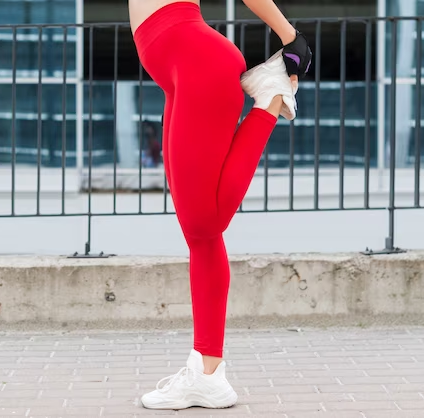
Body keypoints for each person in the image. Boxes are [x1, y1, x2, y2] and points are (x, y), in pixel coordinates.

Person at [128, 0, 312, 410]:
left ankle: (270, 101)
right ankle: (207, 374)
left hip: (197, 62)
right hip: (181, 70)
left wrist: (289, 36)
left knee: (204, 225)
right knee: (201, 236)